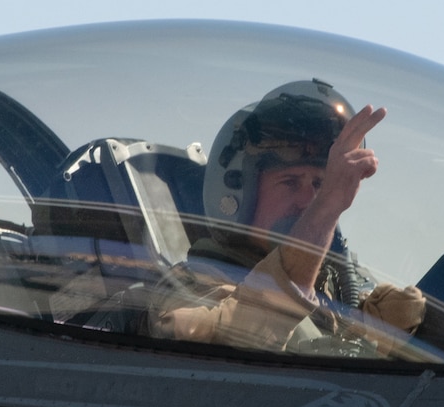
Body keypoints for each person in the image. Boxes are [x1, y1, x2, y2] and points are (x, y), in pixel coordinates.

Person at [153, 80, 426, 356]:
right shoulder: (191, 286)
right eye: (290, 182)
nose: (309, 201)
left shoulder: (332, 295)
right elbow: (230, 341)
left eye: (320, 185)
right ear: (240, 192)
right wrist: (328, 206)